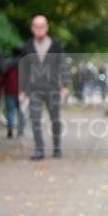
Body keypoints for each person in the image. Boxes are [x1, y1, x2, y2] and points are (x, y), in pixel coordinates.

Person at [18, 15, 69, 160]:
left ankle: (57, 147)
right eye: (36, 26)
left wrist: (64, 86)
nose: (39, 29)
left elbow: (63, 66)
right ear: (32, 28)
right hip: (33, 89)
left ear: (46, 28)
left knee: (55, 119)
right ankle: (39, 149)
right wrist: (22, 90)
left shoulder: (56, 45)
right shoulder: (27, 47)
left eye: (42, 26)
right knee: (35, 119)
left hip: (53, 87)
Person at [1, 56, 25, 138]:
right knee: (21, 112)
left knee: (10, 111)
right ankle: (20, 131)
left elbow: (3, 78)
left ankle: (10, 130)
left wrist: (1, 88)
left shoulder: (8, 64)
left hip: (9, 91)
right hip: (21, 92)